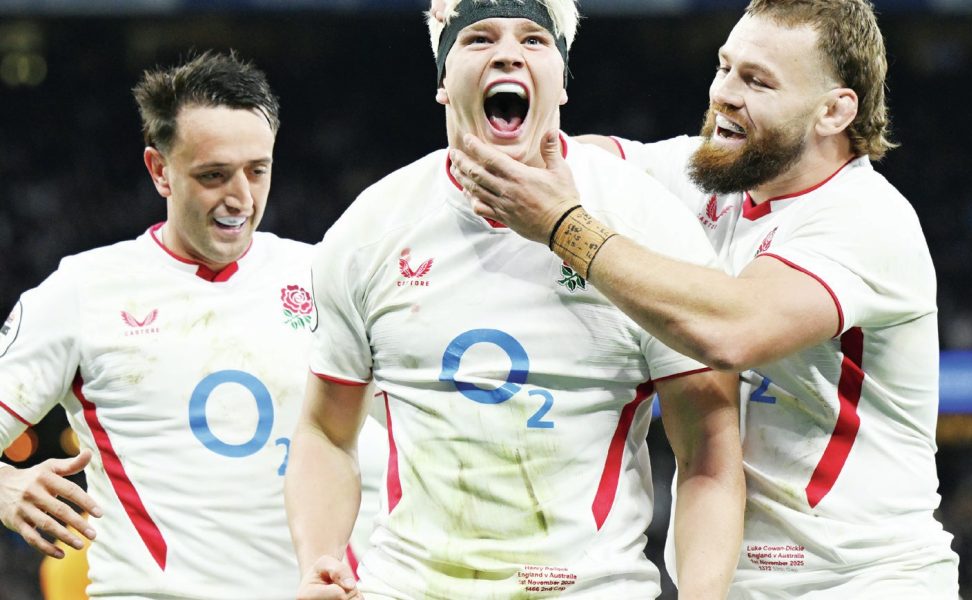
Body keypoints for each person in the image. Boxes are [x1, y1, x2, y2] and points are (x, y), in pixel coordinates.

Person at [443, 0, 962, 597]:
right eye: (724, 68)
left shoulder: (866, 219)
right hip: (732, 580)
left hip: (863, 582)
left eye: (757, 81)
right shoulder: (713, 172)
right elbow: (585, 160)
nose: (724, 94)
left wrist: (565, 227)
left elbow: (732, 331)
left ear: (834, 111)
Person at [285, 2, 745, 599]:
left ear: (561, 81)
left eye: (534, 39)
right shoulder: (368, 231)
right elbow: (325, 430)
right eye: (478, 39)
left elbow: (708, 452)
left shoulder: (648, 224)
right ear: (444, 83)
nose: (507, 53)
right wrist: (320, 559)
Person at [0, 50, 384, 599]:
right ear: (160, 170)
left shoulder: (330, 277)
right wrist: (5, 486)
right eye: (213, 175)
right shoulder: (82, 292)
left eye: (258, 170)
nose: (241, 199)